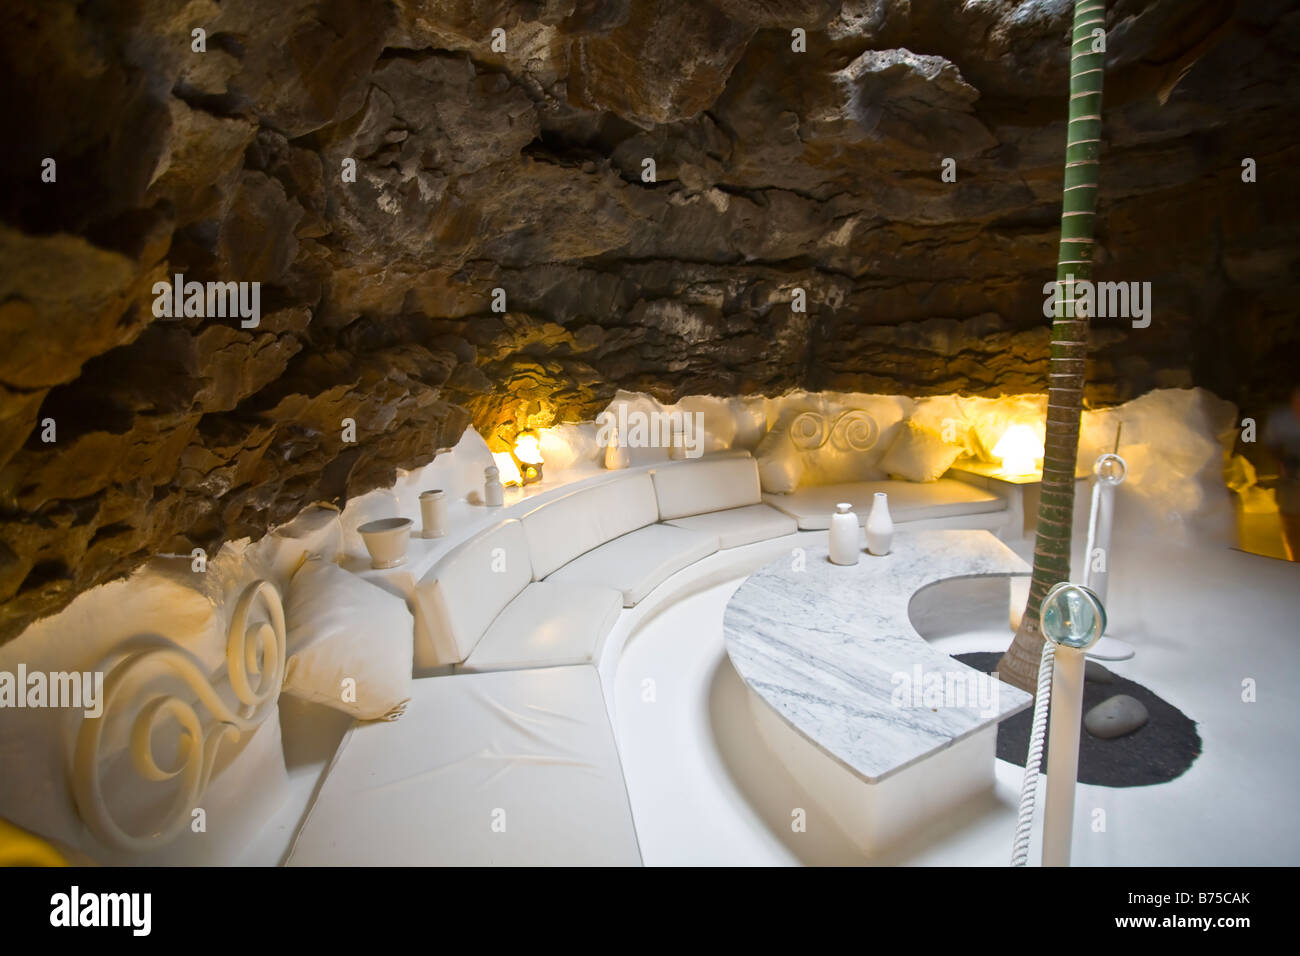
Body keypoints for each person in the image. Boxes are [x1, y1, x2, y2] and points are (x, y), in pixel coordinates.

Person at [1263, 384, 1300, 561]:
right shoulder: (1280, 419)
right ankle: (1295, 560)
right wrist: (1282, 461)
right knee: (1291, 514)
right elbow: (1271, 444)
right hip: (1291, 472)